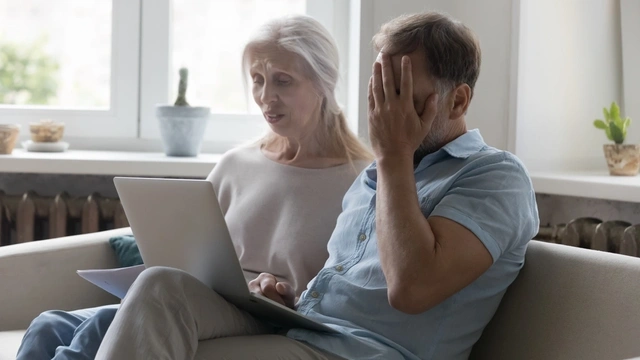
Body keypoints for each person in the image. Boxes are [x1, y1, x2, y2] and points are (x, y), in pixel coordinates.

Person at [94, 11, 539, 360]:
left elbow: (411, 289)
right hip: (304, 330)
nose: (386, 112)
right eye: (379, 93)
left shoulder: (494, 177)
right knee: (160, 286)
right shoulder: (379, 176)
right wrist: (285, 297)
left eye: (404, 96)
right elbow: (342, 287)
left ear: (458, 100)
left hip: (369, 354)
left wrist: (393, 157)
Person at [15, 14, 372, 360]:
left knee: (101, 325)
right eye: (257, 79)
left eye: (282, 80)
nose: (265, 96)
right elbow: (190, 251)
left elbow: (352, 290)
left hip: (267, 317)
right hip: (201, 299)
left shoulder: (360, 181)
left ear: (325, 81)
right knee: (47, 325)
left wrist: (285, 294)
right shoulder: (237, 163)